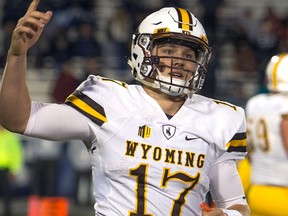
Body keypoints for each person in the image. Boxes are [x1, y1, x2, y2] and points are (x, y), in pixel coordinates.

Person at [0, 0, 251, 215]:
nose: (179, 61)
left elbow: (237, 204)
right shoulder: (108, 99)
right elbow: (19, 119)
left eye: (188, 56)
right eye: (168, 50)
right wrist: (17, 56)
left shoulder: (218, 117)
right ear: (144, 51)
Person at [241, 52, 288, 215]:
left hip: (257, 192)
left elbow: (248, 155)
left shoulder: (256, 103)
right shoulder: (284, 106)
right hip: (283, 195)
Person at [0, 125, 23, 216]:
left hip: (7, 169)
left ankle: (7, 212)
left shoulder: (11, 137)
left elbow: (17, 154)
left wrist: (14, 170)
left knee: (7, 193)